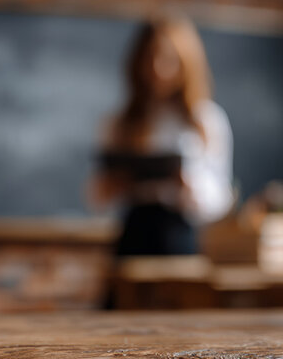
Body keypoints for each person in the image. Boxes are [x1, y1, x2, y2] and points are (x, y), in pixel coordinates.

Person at [90, 18, 234, 256]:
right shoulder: (121, 121)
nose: (157, 68)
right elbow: (96, 197)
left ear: (186, 63)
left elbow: (221, 198)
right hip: (134, 234)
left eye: (168, 59)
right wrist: (113, 185)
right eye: (149, 57)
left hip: (180, 234)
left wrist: (190, 187)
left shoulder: (206, 120)